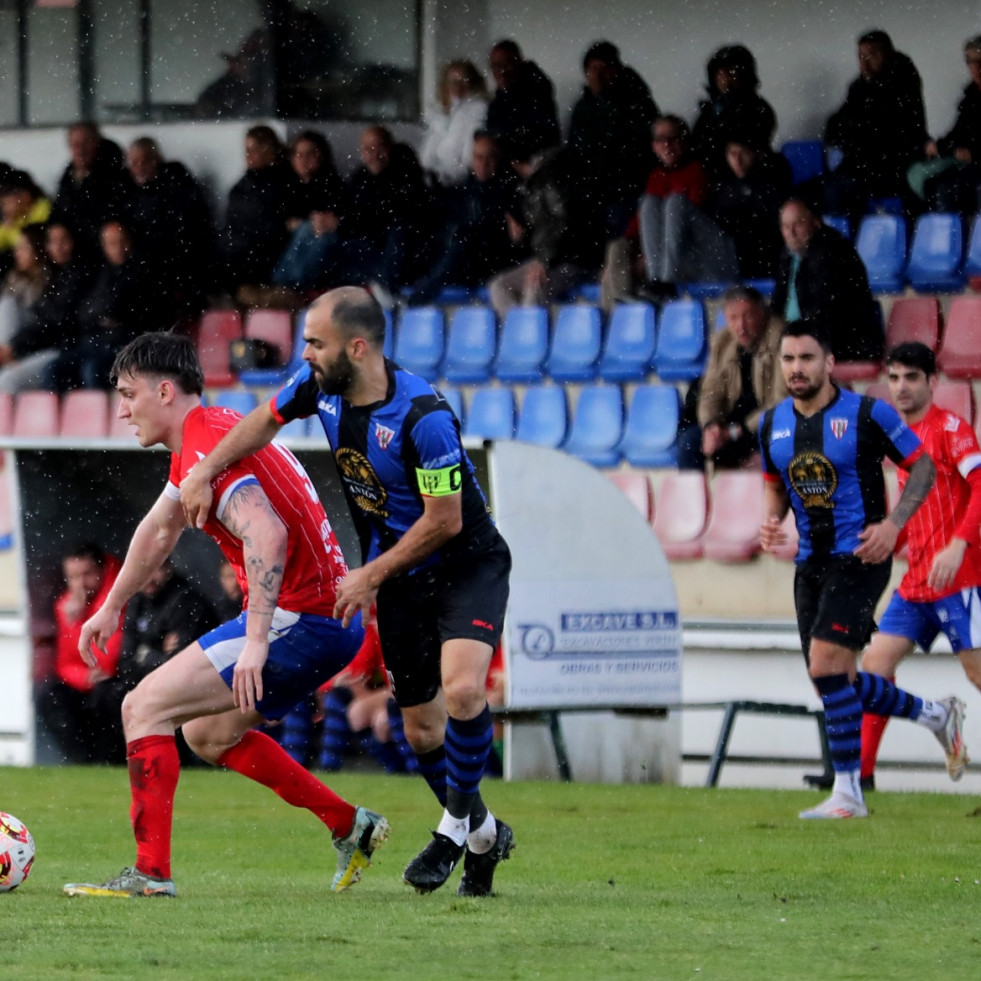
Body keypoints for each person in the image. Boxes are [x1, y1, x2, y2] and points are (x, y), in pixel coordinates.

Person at [180, 286, 514, 897]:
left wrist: (367, 574)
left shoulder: (424, 418)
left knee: (463, 691)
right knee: (420, 731)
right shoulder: (318, 387)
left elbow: (445, 520)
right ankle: (485, 836)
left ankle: (450, 833)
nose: (304, 352)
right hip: (400, 577)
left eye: (315, 342)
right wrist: (202, 470)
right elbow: (260, 423)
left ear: (356, 348)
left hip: (466, 565)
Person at [63, 331, 389, 899]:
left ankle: (150, 875)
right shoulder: (211, 436)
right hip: (324, 620)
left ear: (164, 391)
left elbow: (267, 531)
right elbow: (160, 528)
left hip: (302, 618)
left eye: (127, 394)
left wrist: (258, 641)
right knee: (207, 733)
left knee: (143, 707)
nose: (121, 410)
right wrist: (112, 607)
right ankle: (348, 824)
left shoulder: (205, 441)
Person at [759, 319, 963, 820]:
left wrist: (894, 525)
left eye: (807, 358)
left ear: (829, 363)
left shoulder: (868, 414)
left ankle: (848, 793)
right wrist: (771, 521)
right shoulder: (773, 424)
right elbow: (775, 480)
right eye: (788, 359)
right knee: (832, 679)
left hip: (861, 558)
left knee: (827, 667)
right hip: (809, 564)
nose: (797, 369)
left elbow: (923, 467)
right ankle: (935, 714)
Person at [859, 342, 978, 787]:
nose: (901, 387)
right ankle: (861, 779)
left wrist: (959, 545)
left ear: (933, 381)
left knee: (977, 674)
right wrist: (885, 540)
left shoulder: (952, 428)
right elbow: (917, 512)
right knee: (874, 668)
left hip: (960, 577)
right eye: (894, 378)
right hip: (917, 582)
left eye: (911, 377)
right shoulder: (899, 441)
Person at [90, 558, 220, 765]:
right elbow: (126, 661)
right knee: (106, 693)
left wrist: (147, 653)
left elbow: (181, 664)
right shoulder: (137, 601)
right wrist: (157, 651)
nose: (149, 579)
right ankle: (116, 762)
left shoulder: (186, 601)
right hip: (146, 678)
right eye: (143, 571)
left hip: (190, 684)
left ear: (167, 568)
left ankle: (171, 762)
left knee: (160, 699)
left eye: (155, 569)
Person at [600, 115, 736, 308]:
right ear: (653, 146)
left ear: (685, 141)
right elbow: (639, 223)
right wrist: (622, 261)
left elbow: (683, 224)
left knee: (675, 203)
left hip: (707, 260)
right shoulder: (656, 176)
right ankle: (628, 303)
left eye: (674, 138)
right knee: (626, 235)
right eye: (661, 139)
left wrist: (650, 257)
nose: (667, 145)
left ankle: (664, 283)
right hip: (670, 263)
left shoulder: (698, 170)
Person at [403, 131, 523, 307]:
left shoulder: (509, 192)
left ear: (498, 159)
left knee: (463, 240)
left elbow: (512, 243)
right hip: (463, 263)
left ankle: (416, 300)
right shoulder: (467, 189)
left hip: (491, 264)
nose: (483, 164)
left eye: (490, 158)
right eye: (478, 157)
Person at [677, 286, 786, 471]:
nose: (740, 326)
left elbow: (782, 402)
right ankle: (693, 500)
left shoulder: (782, 338)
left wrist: (736, 431)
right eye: (733, 318)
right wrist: (711, 427)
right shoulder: (722, 341)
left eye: (748, 316)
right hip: (731, 426)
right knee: (689, 442)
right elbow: (710, 392)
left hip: (766, 426)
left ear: (763, 314)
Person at [822, 30, 927, 220]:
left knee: (837, 192)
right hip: (862, 166)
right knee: (806, 193)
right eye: (861, 56)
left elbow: (886, 129)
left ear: (887, 54)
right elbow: (835, 125)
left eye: (872, 55)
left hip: (893, 168)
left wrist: (855, 132)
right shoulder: (859, 87)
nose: (864, 63)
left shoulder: (902, 81)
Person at [488, 144, 601, 318]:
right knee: (499, 286)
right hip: (546, 258)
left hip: (571, 260)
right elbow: (539, 233)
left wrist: (544, 260)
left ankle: (528, 337)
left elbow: (566, 224)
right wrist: (520, 237)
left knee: (534, 286)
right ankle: (519, 332)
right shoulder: (528, 186)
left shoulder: (552, 176)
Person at [36, 543, 124, 765]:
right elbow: (64, 663)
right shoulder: (67, 605)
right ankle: (84, 765)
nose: (81, 584)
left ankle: (110, 763)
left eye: (87, 574)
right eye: (73, 577)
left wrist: (82, 620)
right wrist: (84, 677)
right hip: (90, 680)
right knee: (50, 696)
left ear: (102, 571)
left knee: (108, 695)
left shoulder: (118, 600)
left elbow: (109, 659)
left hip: (117, 680)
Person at [770, 198, 883, 364]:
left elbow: (825, 314)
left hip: (844, 341)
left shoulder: (834, 252)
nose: (791, 232)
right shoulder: (788, 255)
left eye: (798, 225)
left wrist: (792, 335)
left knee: (785, 358)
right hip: (802, 334)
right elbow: (777, 305)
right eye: (785, 226)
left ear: (816, 222)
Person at [567, 40, 659, 236]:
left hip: (625, 191)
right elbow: (574, 152)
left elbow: (645, 151)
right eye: (593, 68)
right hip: (589, 192)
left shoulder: (637, 103)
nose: (599, 75)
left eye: (605, 68)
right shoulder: (582, 109)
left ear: (616, 71)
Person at [910, 35, 981, 214]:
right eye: (971, 61)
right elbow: (958, 135)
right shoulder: (971, 96)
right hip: (969, 166)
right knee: (932, 183)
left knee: (950, 189)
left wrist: (964, 150)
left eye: (980, 61)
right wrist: (943, 147)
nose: (976, 67)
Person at [691, 44, 777, 185]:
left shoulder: (757, 108)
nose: (724, 77)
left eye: (731, 71)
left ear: (744, 74)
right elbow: (698, 145)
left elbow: (752, 145)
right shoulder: (710, 110)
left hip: (750, 181)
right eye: (719, 72)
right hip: (712, 182)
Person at [485, 39, 560, 161]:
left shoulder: (538, 94)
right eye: (496, 66)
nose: (502, 71)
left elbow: (541, 139)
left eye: (507, 64)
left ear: (518, 63)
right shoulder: (497, 103)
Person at [419, 60, 489, 188]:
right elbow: (427, 153)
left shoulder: (478, 110)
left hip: (457, 185)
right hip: (434, 181)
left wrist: (445, 179)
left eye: (464, 81)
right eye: (453, 81)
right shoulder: (439, 111)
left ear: (472, 83)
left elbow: (468, 158)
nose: (457, 86)